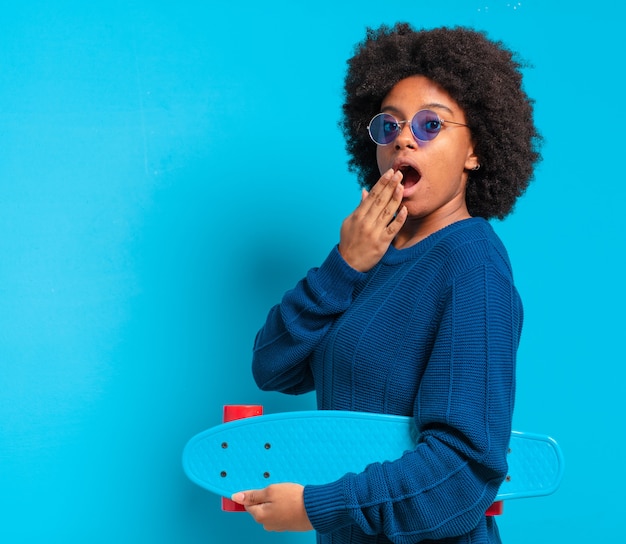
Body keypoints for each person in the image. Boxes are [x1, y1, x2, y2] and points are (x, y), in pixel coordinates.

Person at [230, 22, 542, 544]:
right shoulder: (368, 257)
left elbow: (463, 474)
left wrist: (314, 507)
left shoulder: (473, 267)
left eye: (429, 125)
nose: (403, 137)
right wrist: (344, 266)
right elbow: (271, 367)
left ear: (476, 150)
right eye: (389, 125)